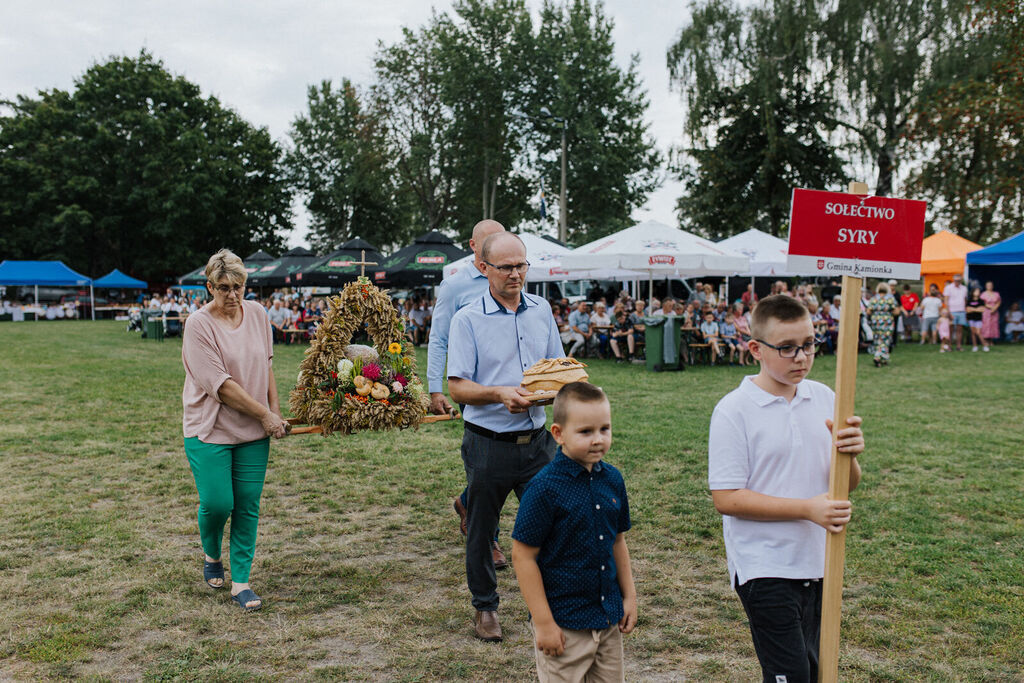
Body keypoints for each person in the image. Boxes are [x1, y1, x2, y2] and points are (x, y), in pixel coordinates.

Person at [708, 294, 865, 681]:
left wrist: (851, 455)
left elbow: (846, 485)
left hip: (820, 559)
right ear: (755, 349)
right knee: (791, 674)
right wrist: (807, 509)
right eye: (788, 348)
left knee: (815, 669)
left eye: (809, 344)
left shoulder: (826, 397)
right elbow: (726, 498)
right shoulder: (734, 410)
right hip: (765, 565)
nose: (801, 357)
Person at [447, 232, 564, 642]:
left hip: (538, 444)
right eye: (507, 267)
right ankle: (485, 608)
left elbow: (556, 368)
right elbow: (458, 387)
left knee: (551, 526)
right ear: (483, 268)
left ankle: (544, 608)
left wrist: (557, 390)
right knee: (482, 529)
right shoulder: (468, 318)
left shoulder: (541, 309)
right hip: (488, 442)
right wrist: (499, 393)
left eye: (522, 265)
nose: (517, 274)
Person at [181, 249, 289, 612]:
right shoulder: (198, 324)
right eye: (223, 287)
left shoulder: (257, 314)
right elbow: (222, 386)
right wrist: (266, 416)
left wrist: (275, 412)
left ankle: (241, 581)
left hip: (254, 430)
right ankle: (211, 553)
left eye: (238, 286)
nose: (232, 295)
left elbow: (268, 367)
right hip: (209, 427)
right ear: (209, 286)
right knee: (217, 503)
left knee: (246, 505)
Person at [511, 382, 637, 681]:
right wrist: (543, 623)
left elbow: (618, 540)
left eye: (604, 429)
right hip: (563, 626)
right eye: (585, 432)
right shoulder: (544, 489)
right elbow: (522, 556)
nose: (598, 440)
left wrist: (629, 596)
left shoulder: (613, 480)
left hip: (607, 620)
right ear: (558, 434)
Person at [426, 219, 508, 567]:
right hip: (472, 391)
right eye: (489, 242)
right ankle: (489, 540)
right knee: (486, 469)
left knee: (507, 469)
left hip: (513, 390)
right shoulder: (456, 286)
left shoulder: (511, 279)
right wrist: (435, 389)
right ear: (473, 246)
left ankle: (466, 502)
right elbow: (439, 338)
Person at [867, 282, 899, 366]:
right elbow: (896, 311)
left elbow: (868, 311)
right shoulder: (890, 298)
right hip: (886, 321)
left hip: (875, 321)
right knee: (885, 339)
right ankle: (878, 357)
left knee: (878, 339)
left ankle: (884, 359)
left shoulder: (874, 298)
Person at [943, 274, 968, 351]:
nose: (957, 282)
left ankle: (958, 346)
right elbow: (946, 300)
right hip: (952, 311)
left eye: (959, 281)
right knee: (950, 329)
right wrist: (948, 312)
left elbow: (965, 299)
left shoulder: (964, 288)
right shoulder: (948, 288)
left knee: (959, 330)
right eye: (956, 280)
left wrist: (965, 310)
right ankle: (949, 346)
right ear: (954, 280)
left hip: (961, 311)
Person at [980, 281, 1001, 349]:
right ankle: (986, 341)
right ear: (986, 286)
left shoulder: (996, 294)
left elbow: (999, 302)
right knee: (986, 325)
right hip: (986, 311)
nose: (989, 286)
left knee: (993, 325)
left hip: (994, 312)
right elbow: (982, 303)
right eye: (988, 285)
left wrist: (994, 308)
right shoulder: (983, 294)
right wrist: (990, 307)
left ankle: (991, 340)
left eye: (991, 285)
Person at [965, 287, 986, 352]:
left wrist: (972, 309)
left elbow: (982, 309)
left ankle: (985, 346)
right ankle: (975, 346)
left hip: (978, 319)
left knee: (978, 332)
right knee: (973, 333)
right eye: (976, 291)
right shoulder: (969, 300)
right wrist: (977, 309)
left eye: (978, 291)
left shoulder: (981, 301)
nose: (977, 292)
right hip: (971, 319)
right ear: (973, 292)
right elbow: (967, 310)